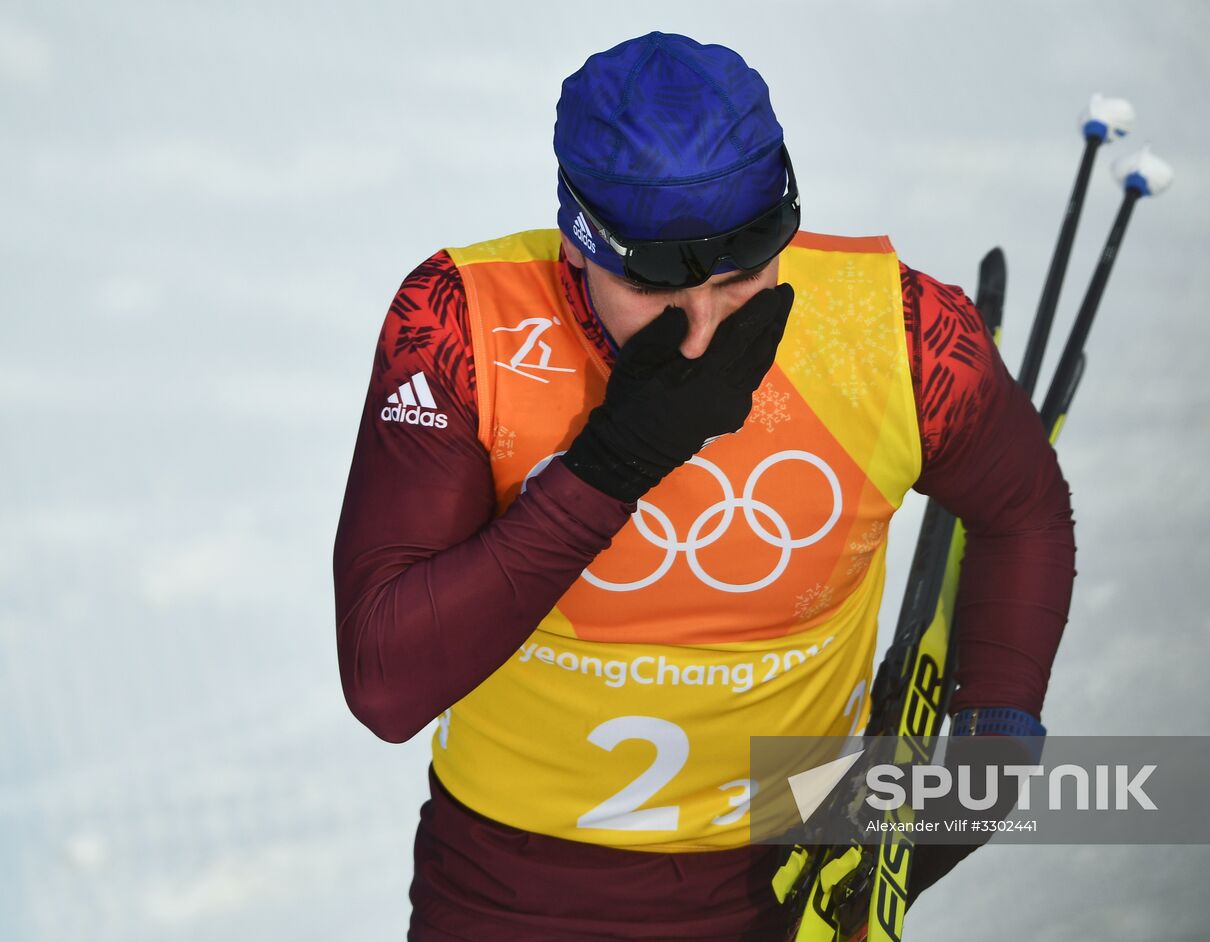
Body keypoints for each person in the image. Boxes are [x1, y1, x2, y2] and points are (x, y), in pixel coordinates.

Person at [333, 31, 1075, 942]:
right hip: (502, 894)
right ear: (577, 248)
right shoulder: (460, 323)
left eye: (742, 275)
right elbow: (386, 681)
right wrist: (611, 466)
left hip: (787, 884)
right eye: (653, 285)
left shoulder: (899, 333)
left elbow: (1022, 509)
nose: (703, 329)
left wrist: (995, 740)